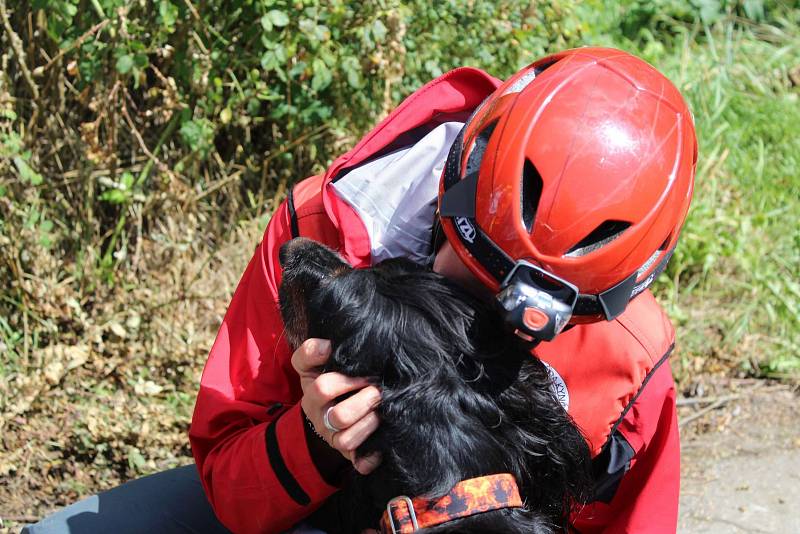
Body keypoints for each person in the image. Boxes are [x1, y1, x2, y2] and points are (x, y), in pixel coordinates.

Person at [24, 46, 696, 533]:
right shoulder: (327, 228)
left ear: (604, 294)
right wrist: (315, 438)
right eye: (468, 271)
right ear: (453, 182)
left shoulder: (632, 359)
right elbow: (228, 486)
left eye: (523, 320)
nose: (479, 313)